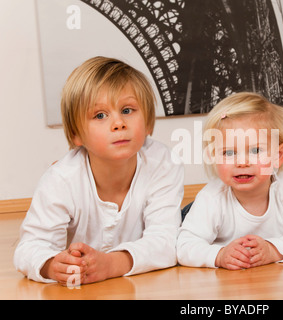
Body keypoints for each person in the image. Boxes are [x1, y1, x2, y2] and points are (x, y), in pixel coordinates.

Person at [14, 56, 184, 285]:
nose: (118, 123)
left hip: (141, 287)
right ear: (76, 135)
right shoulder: (61, 179)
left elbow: (167, 241)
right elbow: (29, 247)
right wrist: (51, 265)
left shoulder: (163, 162)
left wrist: (111, 264)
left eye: (127, 110)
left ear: (149, 122)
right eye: (100, 115)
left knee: (191, 226)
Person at [177, 92, 283, 270]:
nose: (242, 162)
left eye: (255, 150)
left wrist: (272, 250)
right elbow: (184, 246)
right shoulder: (212, 197)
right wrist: (219, 255)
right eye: (229, 153)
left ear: (278, 155)